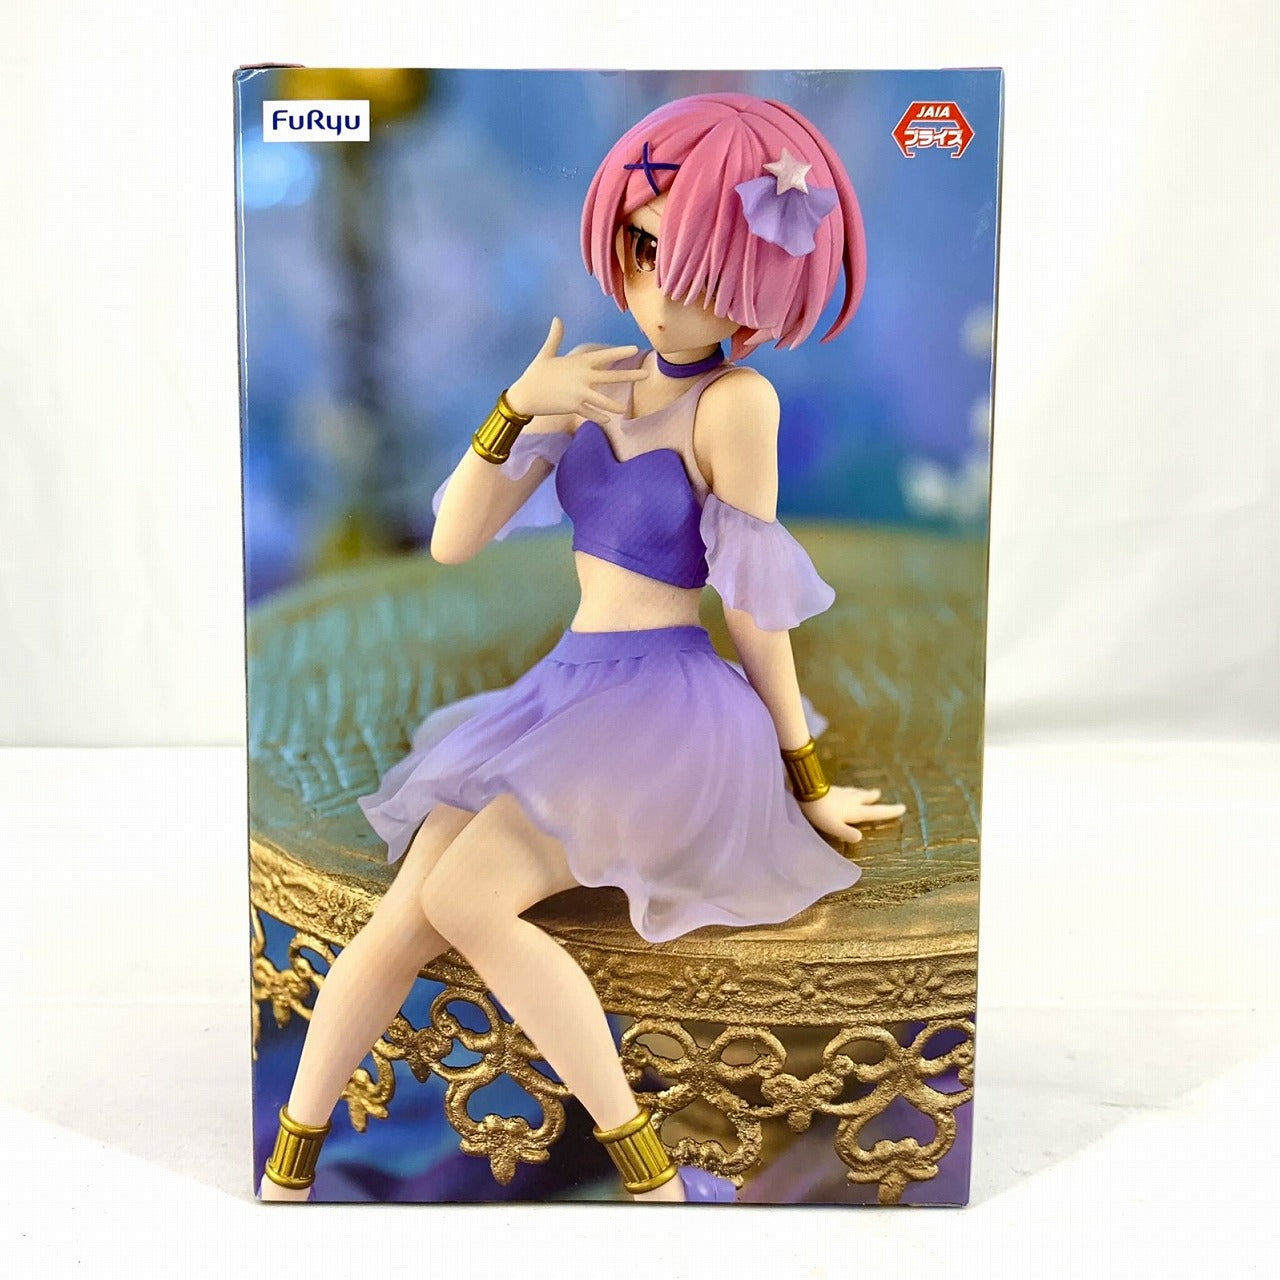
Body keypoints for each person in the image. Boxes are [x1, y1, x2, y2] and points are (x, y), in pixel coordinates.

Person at [260, 91, 905, 1205]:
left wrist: (801, 776)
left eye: (702, 267)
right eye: (647, 251)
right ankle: (286, 1170)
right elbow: (454, 540)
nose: (665, 291)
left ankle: (647, 1177)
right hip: (567, 692)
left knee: (465, 902)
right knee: (408, 910)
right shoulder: (592, 381)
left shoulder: (735, 403)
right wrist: (520, 403)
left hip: (668, 712)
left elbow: (755, 610)